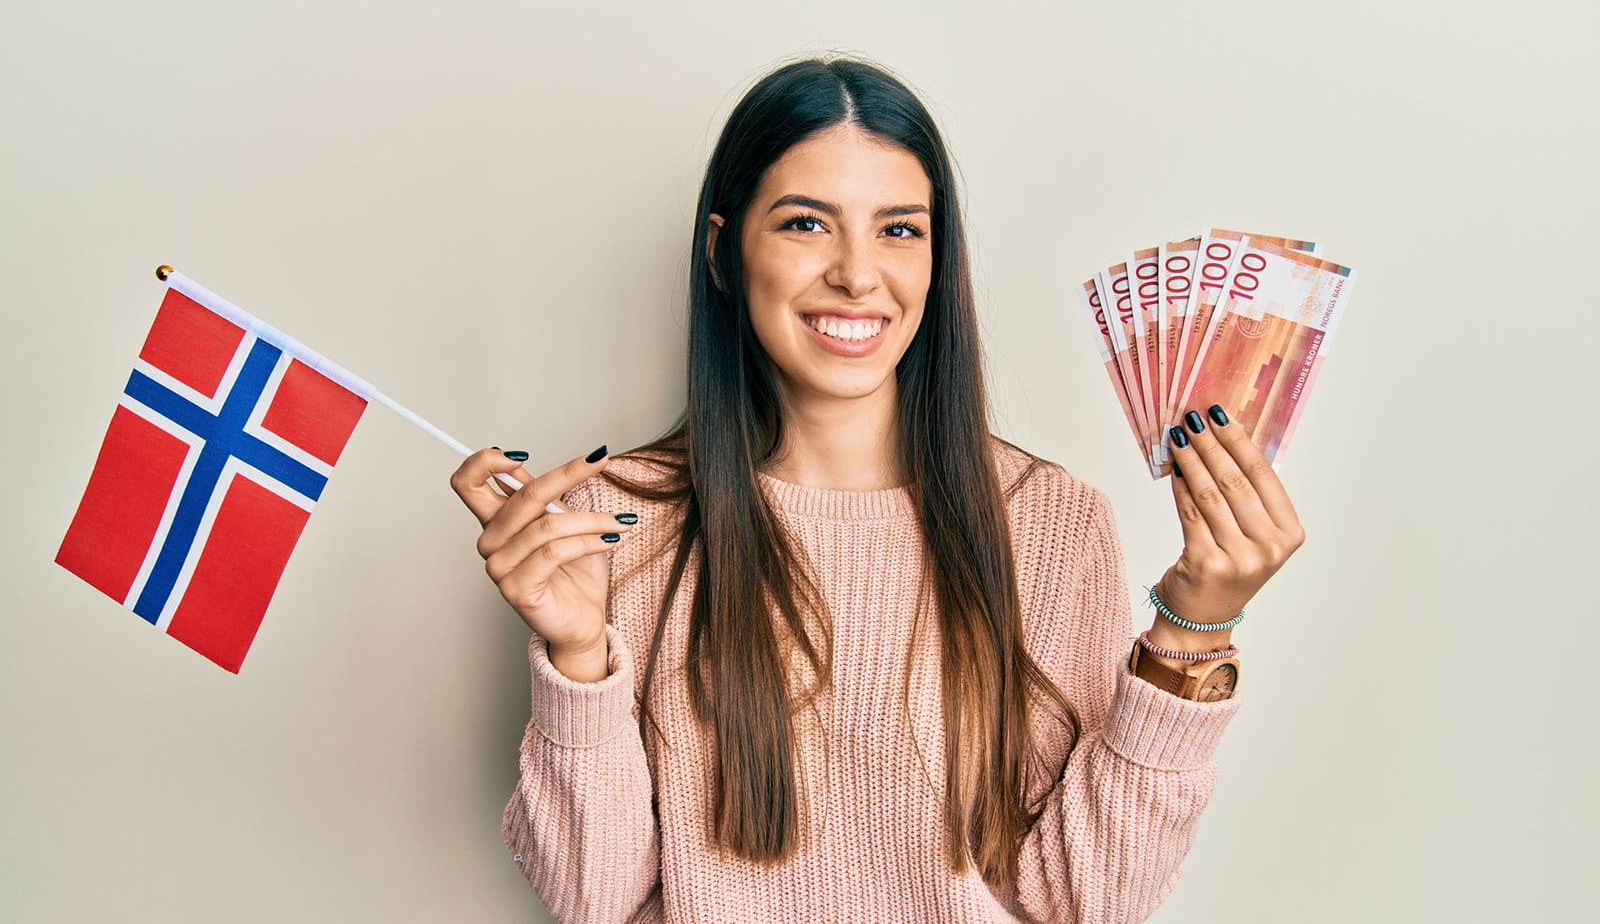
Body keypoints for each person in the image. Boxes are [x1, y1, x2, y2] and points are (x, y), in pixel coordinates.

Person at [449, 56, 1303, 924]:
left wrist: (1193, 625)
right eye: (807, 224)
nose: (858, 275)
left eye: (899, 230)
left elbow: (1080, 904)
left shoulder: (1053, 524)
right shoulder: (614, 521)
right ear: (722, 250)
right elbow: (595, 899)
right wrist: (579, 667)